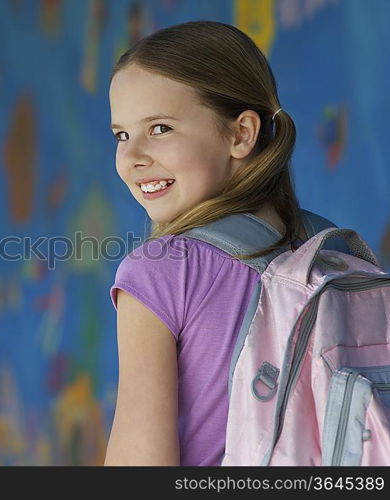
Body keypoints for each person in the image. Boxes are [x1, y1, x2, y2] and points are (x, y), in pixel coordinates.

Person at [103, 20, 311, 466]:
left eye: (159, 128)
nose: (133, 156)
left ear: (241, 134)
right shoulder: (337, 253)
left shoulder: (159, 272)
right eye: (121, 134)